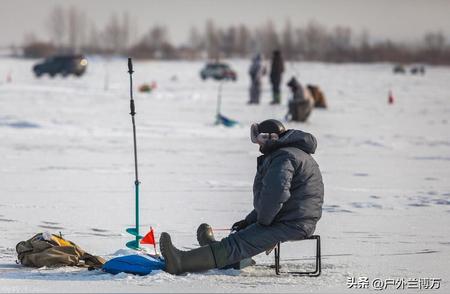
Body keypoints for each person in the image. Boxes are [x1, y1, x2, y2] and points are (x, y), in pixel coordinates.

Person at [159, 119, 324, 275]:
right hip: (294, 218)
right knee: (242, 236)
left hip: (293, 223)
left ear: (271, 138)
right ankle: (221, 254)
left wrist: (262, 223)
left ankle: (180, 262)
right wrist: (249, 221)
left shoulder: (283, 157)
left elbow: (276, 195)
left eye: (259, 138)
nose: (258, 143)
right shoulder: (291, 153)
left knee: (237, 244)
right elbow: (277, 199)